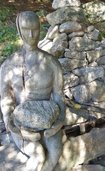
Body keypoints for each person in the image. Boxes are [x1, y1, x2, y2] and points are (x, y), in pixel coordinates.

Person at [0, 11, 65, 171]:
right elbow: (6, 99)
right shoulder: (9, 65)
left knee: (55, 152)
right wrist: (11, 123)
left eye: (35, 29)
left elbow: (59, 97)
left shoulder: (51, 63)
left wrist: (58, 122)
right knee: (38, 155)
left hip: (47, 119)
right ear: (19, 30)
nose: (31, 34)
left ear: (40, 28)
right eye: (26, 29)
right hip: (20, 124)